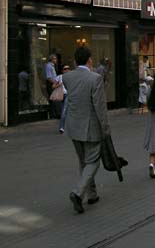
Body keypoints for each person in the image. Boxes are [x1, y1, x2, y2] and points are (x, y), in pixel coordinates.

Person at [63, 46, 110, 214]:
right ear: (90, 60)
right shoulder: (95, 78)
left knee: (83, 161)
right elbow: (100, 107)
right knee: (93, 161)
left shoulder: (67, 77)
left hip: (73, 126)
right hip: (91, 127)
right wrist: (105, 128)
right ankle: (78, 193)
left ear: (75, 61)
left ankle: (92, 194)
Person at [45, 53, 62, 118]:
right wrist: (55, 83)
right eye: (54, 59)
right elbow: (49, 77)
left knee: (54, 98)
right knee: (53, 98)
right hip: (51, 84)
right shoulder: (49, 66)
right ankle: (53, 114)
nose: (56, 60)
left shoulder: (53, 66)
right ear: (51, 59)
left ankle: (55, 113)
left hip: (54, 83)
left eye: (56, 59)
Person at [57, 65, 71, 134]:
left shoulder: (72, 77)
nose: (67, 70)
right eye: (65, 69)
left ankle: (61, 127)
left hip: (68, 94)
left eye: (68, 68)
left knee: (64, 111)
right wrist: (59, 84)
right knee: (63, 111)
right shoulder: (59, 77)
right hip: (61, 95)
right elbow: (53, 86)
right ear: (62, 70)